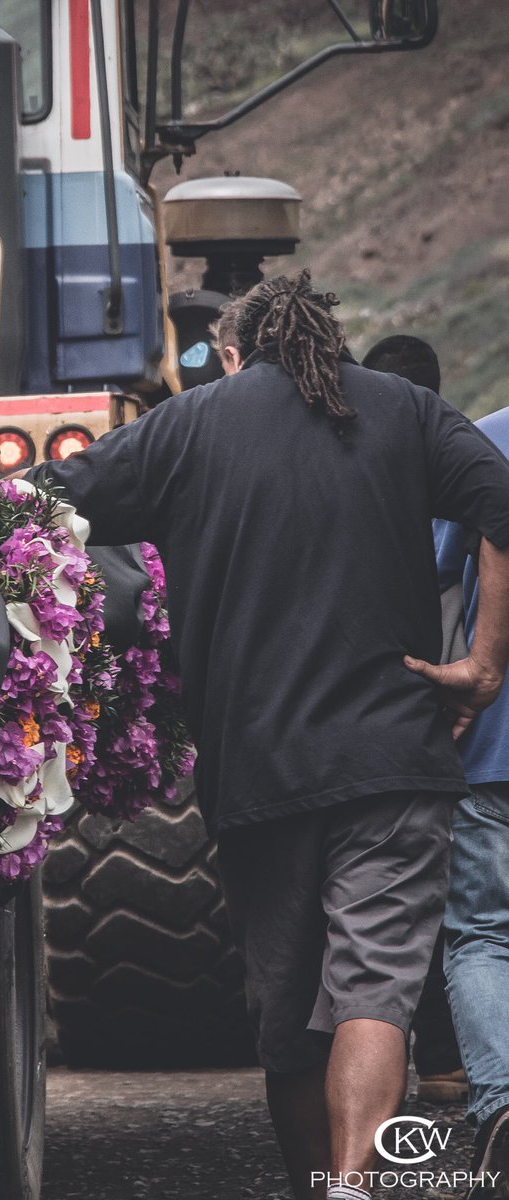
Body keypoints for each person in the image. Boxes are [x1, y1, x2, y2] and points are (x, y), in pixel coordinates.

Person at [0, 269, 509, 1200]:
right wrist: (483, 663)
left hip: (261, 772)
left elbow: (39, 501)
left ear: (233, 353)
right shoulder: (404, 409)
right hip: (396, 759)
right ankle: (356, 1191)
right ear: (326, 336)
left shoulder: (188, 426)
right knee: (376, 994)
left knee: (286, 1021)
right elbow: (502, 500)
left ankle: (321, 1184)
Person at [361, 333, 467, 1107]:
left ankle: (428, 1057)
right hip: (465, 703)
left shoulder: (367, 462)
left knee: (408, 900)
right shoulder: (457, 452)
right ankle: (455, 1056)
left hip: (388, 710)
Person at [434, 404, 509, 1197]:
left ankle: (503, 1103)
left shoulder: (487, 439)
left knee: (484, 933)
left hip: (495, 743)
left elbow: (433, 557)